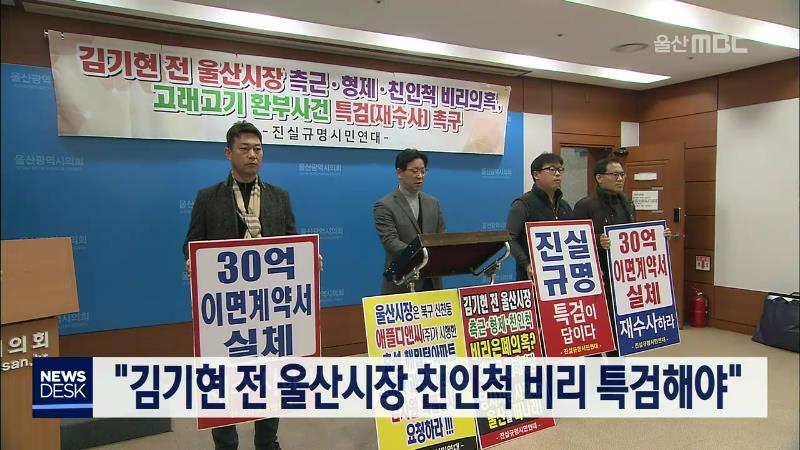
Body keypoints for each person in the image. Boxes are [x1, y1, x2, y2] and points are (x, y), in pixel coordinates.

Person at [183, 120, 312, 450]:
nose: (253, 155)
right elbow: (191, 244)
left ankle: (267, 441)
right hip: (226, 312)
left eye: (258, 149)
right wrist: (192, 260)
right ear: (228, 153)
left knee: (269, 378)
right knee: (222, 380)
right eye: (244, 149)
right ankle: (225, 444)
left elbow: (292, 243)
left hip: (269, 311)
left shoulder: (279, 197)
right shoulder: (208, 198)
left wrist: (308, 260)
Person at [573, 157, 670, 356]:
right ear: (599, 178)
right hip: (595, 275)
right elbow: (574, 240)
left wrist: (658, 237)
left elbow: (633, 236)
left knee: (620, 327)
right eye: (615, 174)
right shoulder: (585, 205)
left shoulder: (627, 203)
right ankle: (593, 370)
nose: (620, 179)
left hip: (622, 276)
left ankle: (617, 366)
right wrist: (598, 240)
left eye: (622, 174)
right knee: (597, 327)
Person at [374, 148, 446, 294]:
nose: (420, 176)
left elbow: (441, 236)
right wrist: (423, 256)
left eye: (423, 171)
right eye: (414, 171)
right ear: (399, 173)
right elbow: (390, 242)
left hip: (432, 282)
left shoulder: (433, 202)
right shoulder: (384, 205)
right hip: (402, 282)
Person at [507, 153, 572, 281]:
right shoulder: (522, 204)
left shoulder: (565, 206)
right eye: (552, 169)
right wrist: (526, 263)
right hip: (532, 275)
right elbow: (510, 238)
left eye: (560, 170)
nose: (557, 174)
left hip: (564, 276)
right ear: (536, 174)